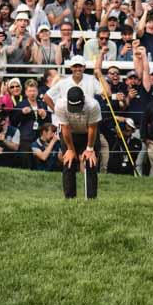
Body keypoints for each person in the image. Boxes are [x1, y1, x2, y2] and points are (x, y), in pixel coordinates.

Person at [46, 57, 105, 199]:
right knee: (69, 161)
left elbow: (92, 128)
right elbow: (65, 129)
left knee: (91, 162)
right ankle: (69, 198)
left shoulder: (93, 105)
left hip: (88, 132)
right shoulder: (60, 106)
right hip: (70, 133)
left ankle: (91, 199)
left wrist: (89, 149)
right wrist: (71, 149)